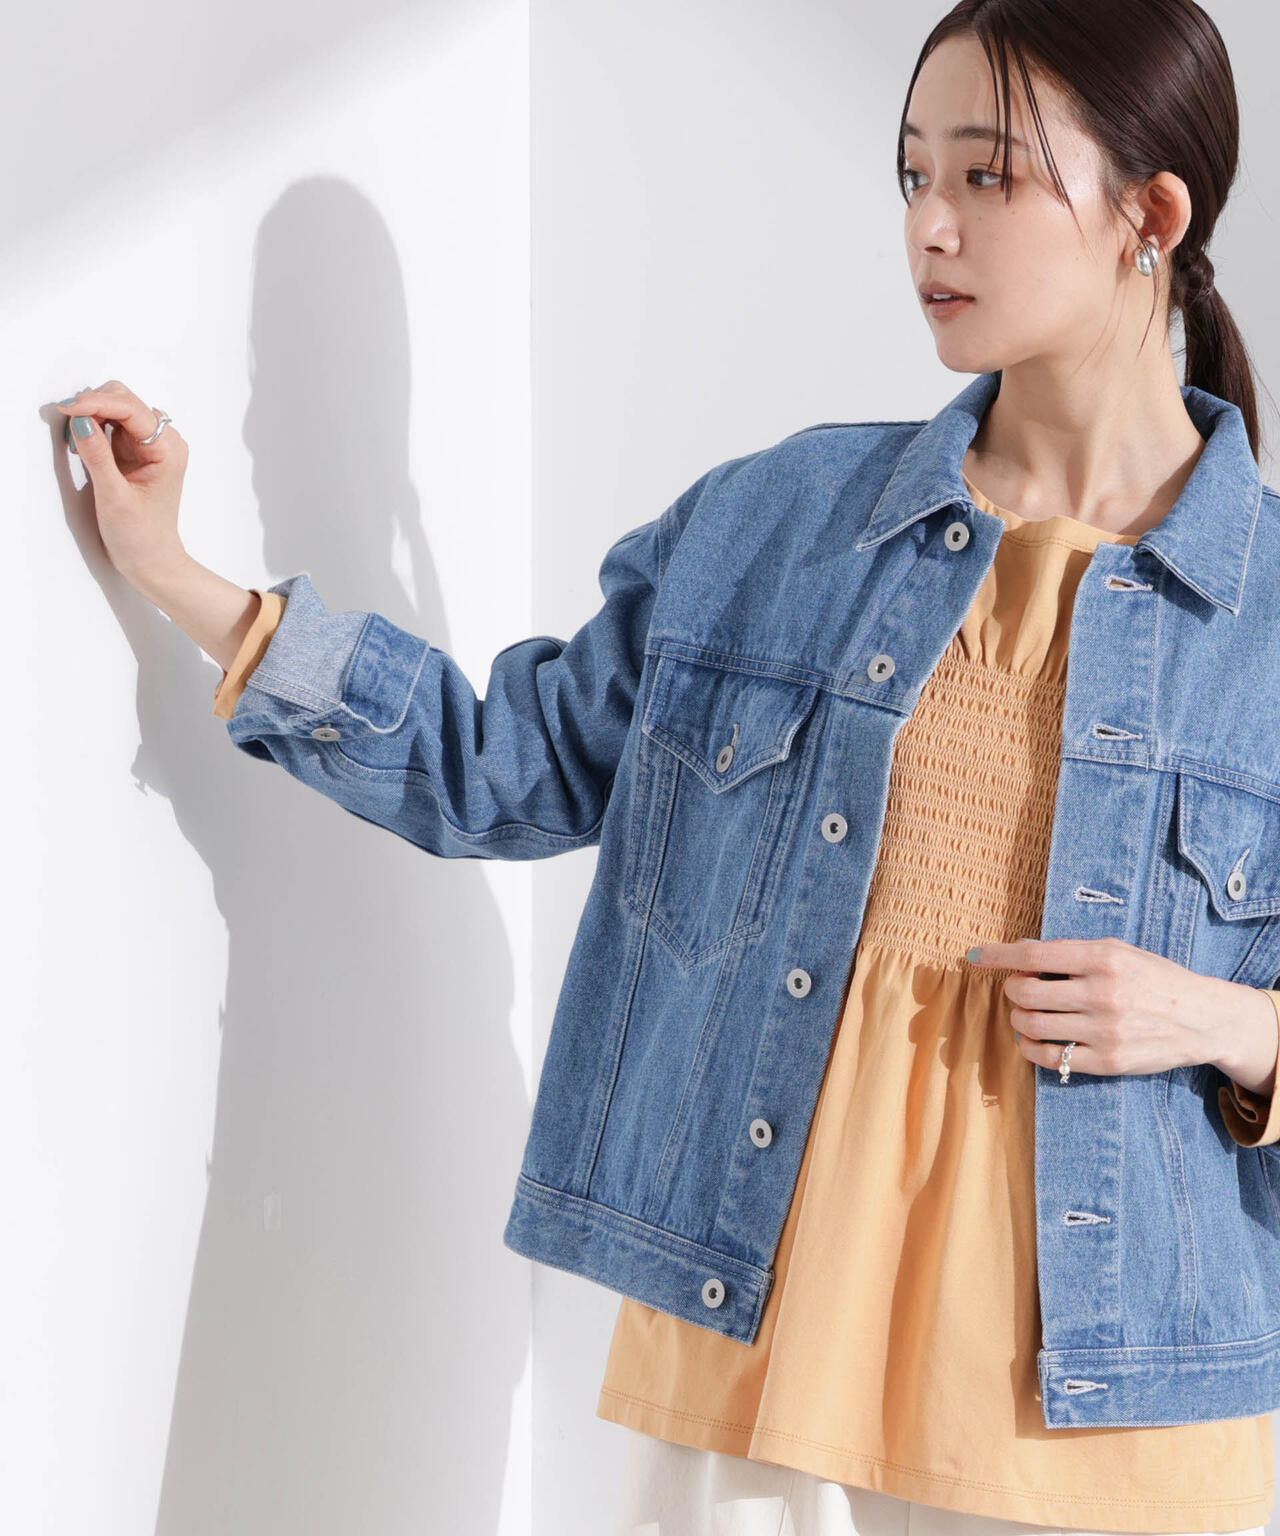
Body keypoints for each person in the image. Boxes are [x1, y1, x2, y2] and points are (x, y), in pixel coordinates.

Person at [51, 0, 1280, 1531]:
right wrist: (181, 579)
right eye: (912, 175)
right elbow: (505, 767)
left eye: (988, 175)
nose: (930, 226)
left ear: (1150, 216)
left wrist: (1234, 1023)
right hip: (755, 1361)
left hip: (1107, 1413)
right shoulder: (779, 523)